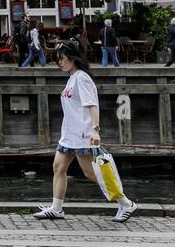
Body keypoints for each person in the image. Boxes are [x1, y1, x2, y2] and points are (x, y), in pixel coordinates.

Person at [34, 42, 138, 223]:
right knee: (58, 168)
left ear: (72, 58)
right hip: (69, 134)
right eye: (57, 59)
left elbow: (92, 105)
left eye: (62, 59)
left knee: (92, 173)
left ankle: (126, 203)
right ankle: (56, 208)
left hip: (82, 134)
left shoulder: (82, 78)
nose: (59, 63)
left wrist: (95, 131)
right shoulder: (72, 77)